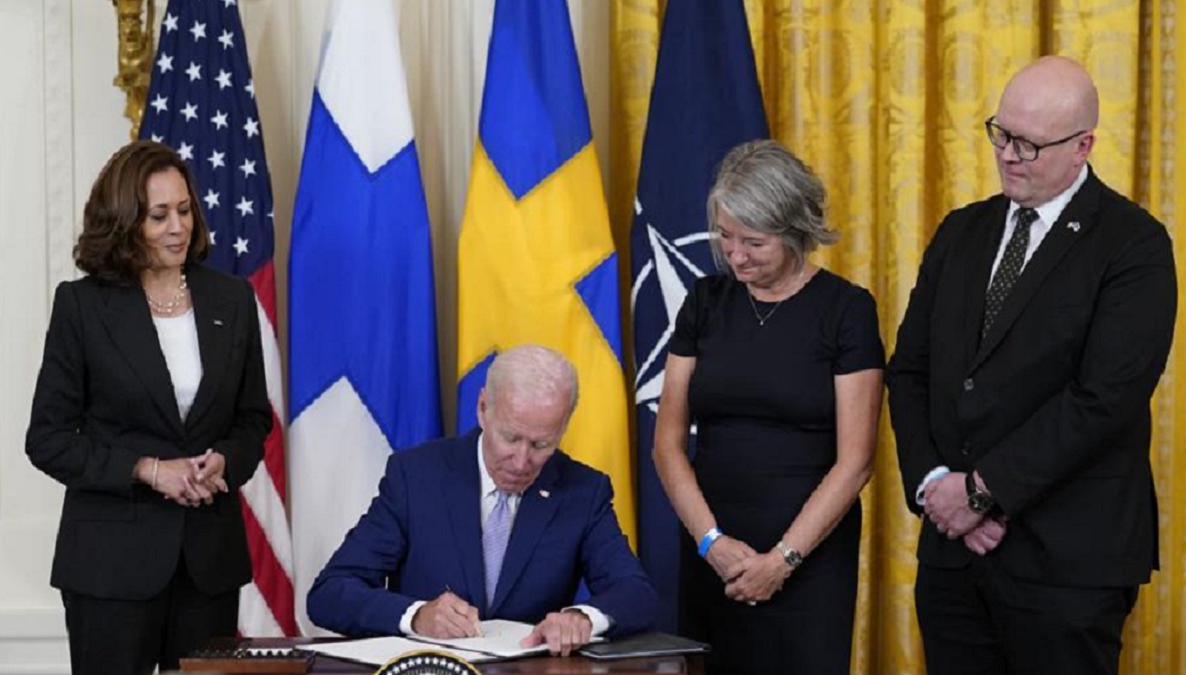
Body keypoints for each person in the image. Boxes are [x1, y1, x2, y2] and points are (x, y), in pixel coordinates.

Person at [888, 56, 1177, 675]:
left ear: (1083, 147)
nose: (1009, 154)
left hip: (1067, 561)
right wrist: (938, 488)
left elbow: (1104, 399)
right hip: (954, 557)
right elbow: (910, 372)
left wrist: (981, 493)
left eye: (1030, 143)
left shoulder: (1134, 244)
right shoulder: (961, 231)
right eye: (1001, 132)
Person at [25, 140, 272, 675]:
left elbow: (254, 420)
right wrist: (147, 470)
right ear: (124, 222)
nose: (177, 227)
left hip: (208, 566)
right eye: (159, 216)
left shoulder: (231, 300)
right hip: (110, 567)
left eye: (184, 210)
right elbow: (47, 439)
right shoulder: (82, 307)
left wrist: (225, 461)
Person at [653, 139, 884, 675]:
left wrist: (781, 561)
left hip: (807, 559)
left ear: (795, 230)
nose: (735, 255)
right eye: (726, 237)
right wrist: (711, 542)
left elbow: (857, 461)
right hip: (712, 550)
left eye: (753, 242)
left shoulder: (846, 311)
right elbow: (667, 443)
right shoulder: (705, 302)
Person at [307, 344, 656, 656]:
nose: (521, 462)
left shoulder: (583, 490)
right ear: (483, 408)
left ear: (563, 428)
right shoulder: (416, 477)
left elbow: (636, 594)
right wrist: (416, 616)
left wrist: (582, 618)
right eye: (510, 437)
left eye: (541, 445)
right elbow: (329, 593)